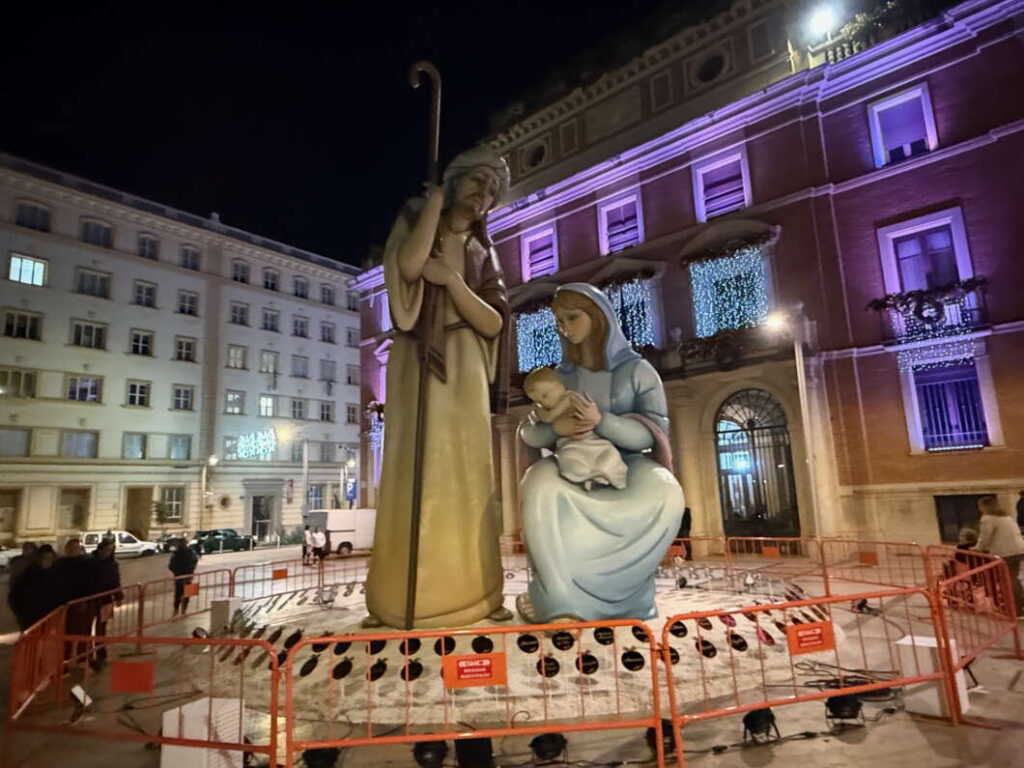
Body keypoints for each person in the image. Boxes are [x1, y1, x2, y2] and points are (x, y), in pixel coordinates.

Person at [363, 145, 514, 629]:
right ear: (454, 183)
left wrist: (451, 281)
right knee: (415, 467)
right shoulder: (419, 218)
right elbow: (407, 267)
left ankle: (472, 593)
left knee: (466, 470)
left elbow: (493, 321)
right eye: (477, 184)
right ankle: (406, 597)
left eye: (491, 191)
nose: (484, 197)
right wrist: (430, 208)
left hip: (465, 361)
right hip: (416, 359)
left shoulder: (481, 248)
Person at [518, 283, 685, 623]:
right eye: (559, 321)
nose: (565, 327)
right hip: (570, 460)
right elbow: (532, 428)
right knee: (538, 484)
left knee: (664, 489)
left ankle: (629, 597)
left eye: (572, 317)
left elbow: (653, 431)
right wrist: (554, 430)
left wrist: (602, 421)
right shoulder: (557, 378)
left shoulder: (637, 371)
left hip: (625, 464)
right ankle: (559, 597)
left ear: (598, 317)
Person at [523, 366, 627, 491]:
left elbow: (548, 418)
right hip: (569, 443)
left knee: (609, 454)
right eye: (537, 401)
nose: (543, 403)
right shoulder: (548, 407)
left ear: (559, 386)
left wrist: (539, 411)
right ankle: (588, 477)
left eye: (544, 396)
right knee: (569, 461)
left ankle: (607, 476)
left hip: (591, 440)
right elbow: (531, 428)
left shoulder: (570, 397)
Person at [976, 495, 1024, 615]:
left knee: (1006, 580)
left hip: (1004, 552)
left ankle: (1014, 609)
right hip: (1018, 549)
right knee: (1014, 578)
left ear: (984, 506)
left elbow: (985, 537)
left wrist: (978, 548)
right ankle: (1019, 606)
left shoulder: (987, 518)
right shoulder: (1006, 516)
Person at [87, 539, 123, 669]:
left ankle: (101, 654)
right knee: (87, 629)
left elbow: (115, 580)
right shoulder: (91, 563)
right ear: (100, 550)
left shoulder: (113, 564)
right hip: (92, 599)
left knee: (101, 629)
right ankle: (88, 655)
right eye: (106, 549)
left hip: (106, 600)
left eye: (110, 550)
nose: (108, 552)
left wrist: (118, 596)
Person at [57, 538, 94, 661]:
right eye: (71, 548)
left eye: (76, 548)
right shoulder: (60, 564)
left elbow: (89, 583)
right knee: (66, 633)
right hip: (65, 603)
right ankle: (65, 658)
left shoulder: (87, 563)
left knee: (83, 632)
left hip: (82, 603)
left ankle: (82, 657)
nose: (73, 550)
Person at [16, 544, 66, 630]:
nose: (44, 561)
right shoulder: (29, 574)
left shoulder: (58, 573)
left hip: (52, 616)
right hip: (32, 617)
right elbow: (17, 594)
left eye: (48, 558)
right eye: (42, 558)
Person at [168, 539, 199, 616]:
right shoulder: (191, 552)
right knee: (187, 593)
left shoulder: (176, 553)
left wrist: (175, 571)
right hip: (188, 575)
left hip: (179, 576)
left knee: (178, 594)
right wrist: (191, 570)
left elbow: (171, 565)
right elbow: (195, 561)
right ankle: (184, 610)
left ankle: (176, 610)